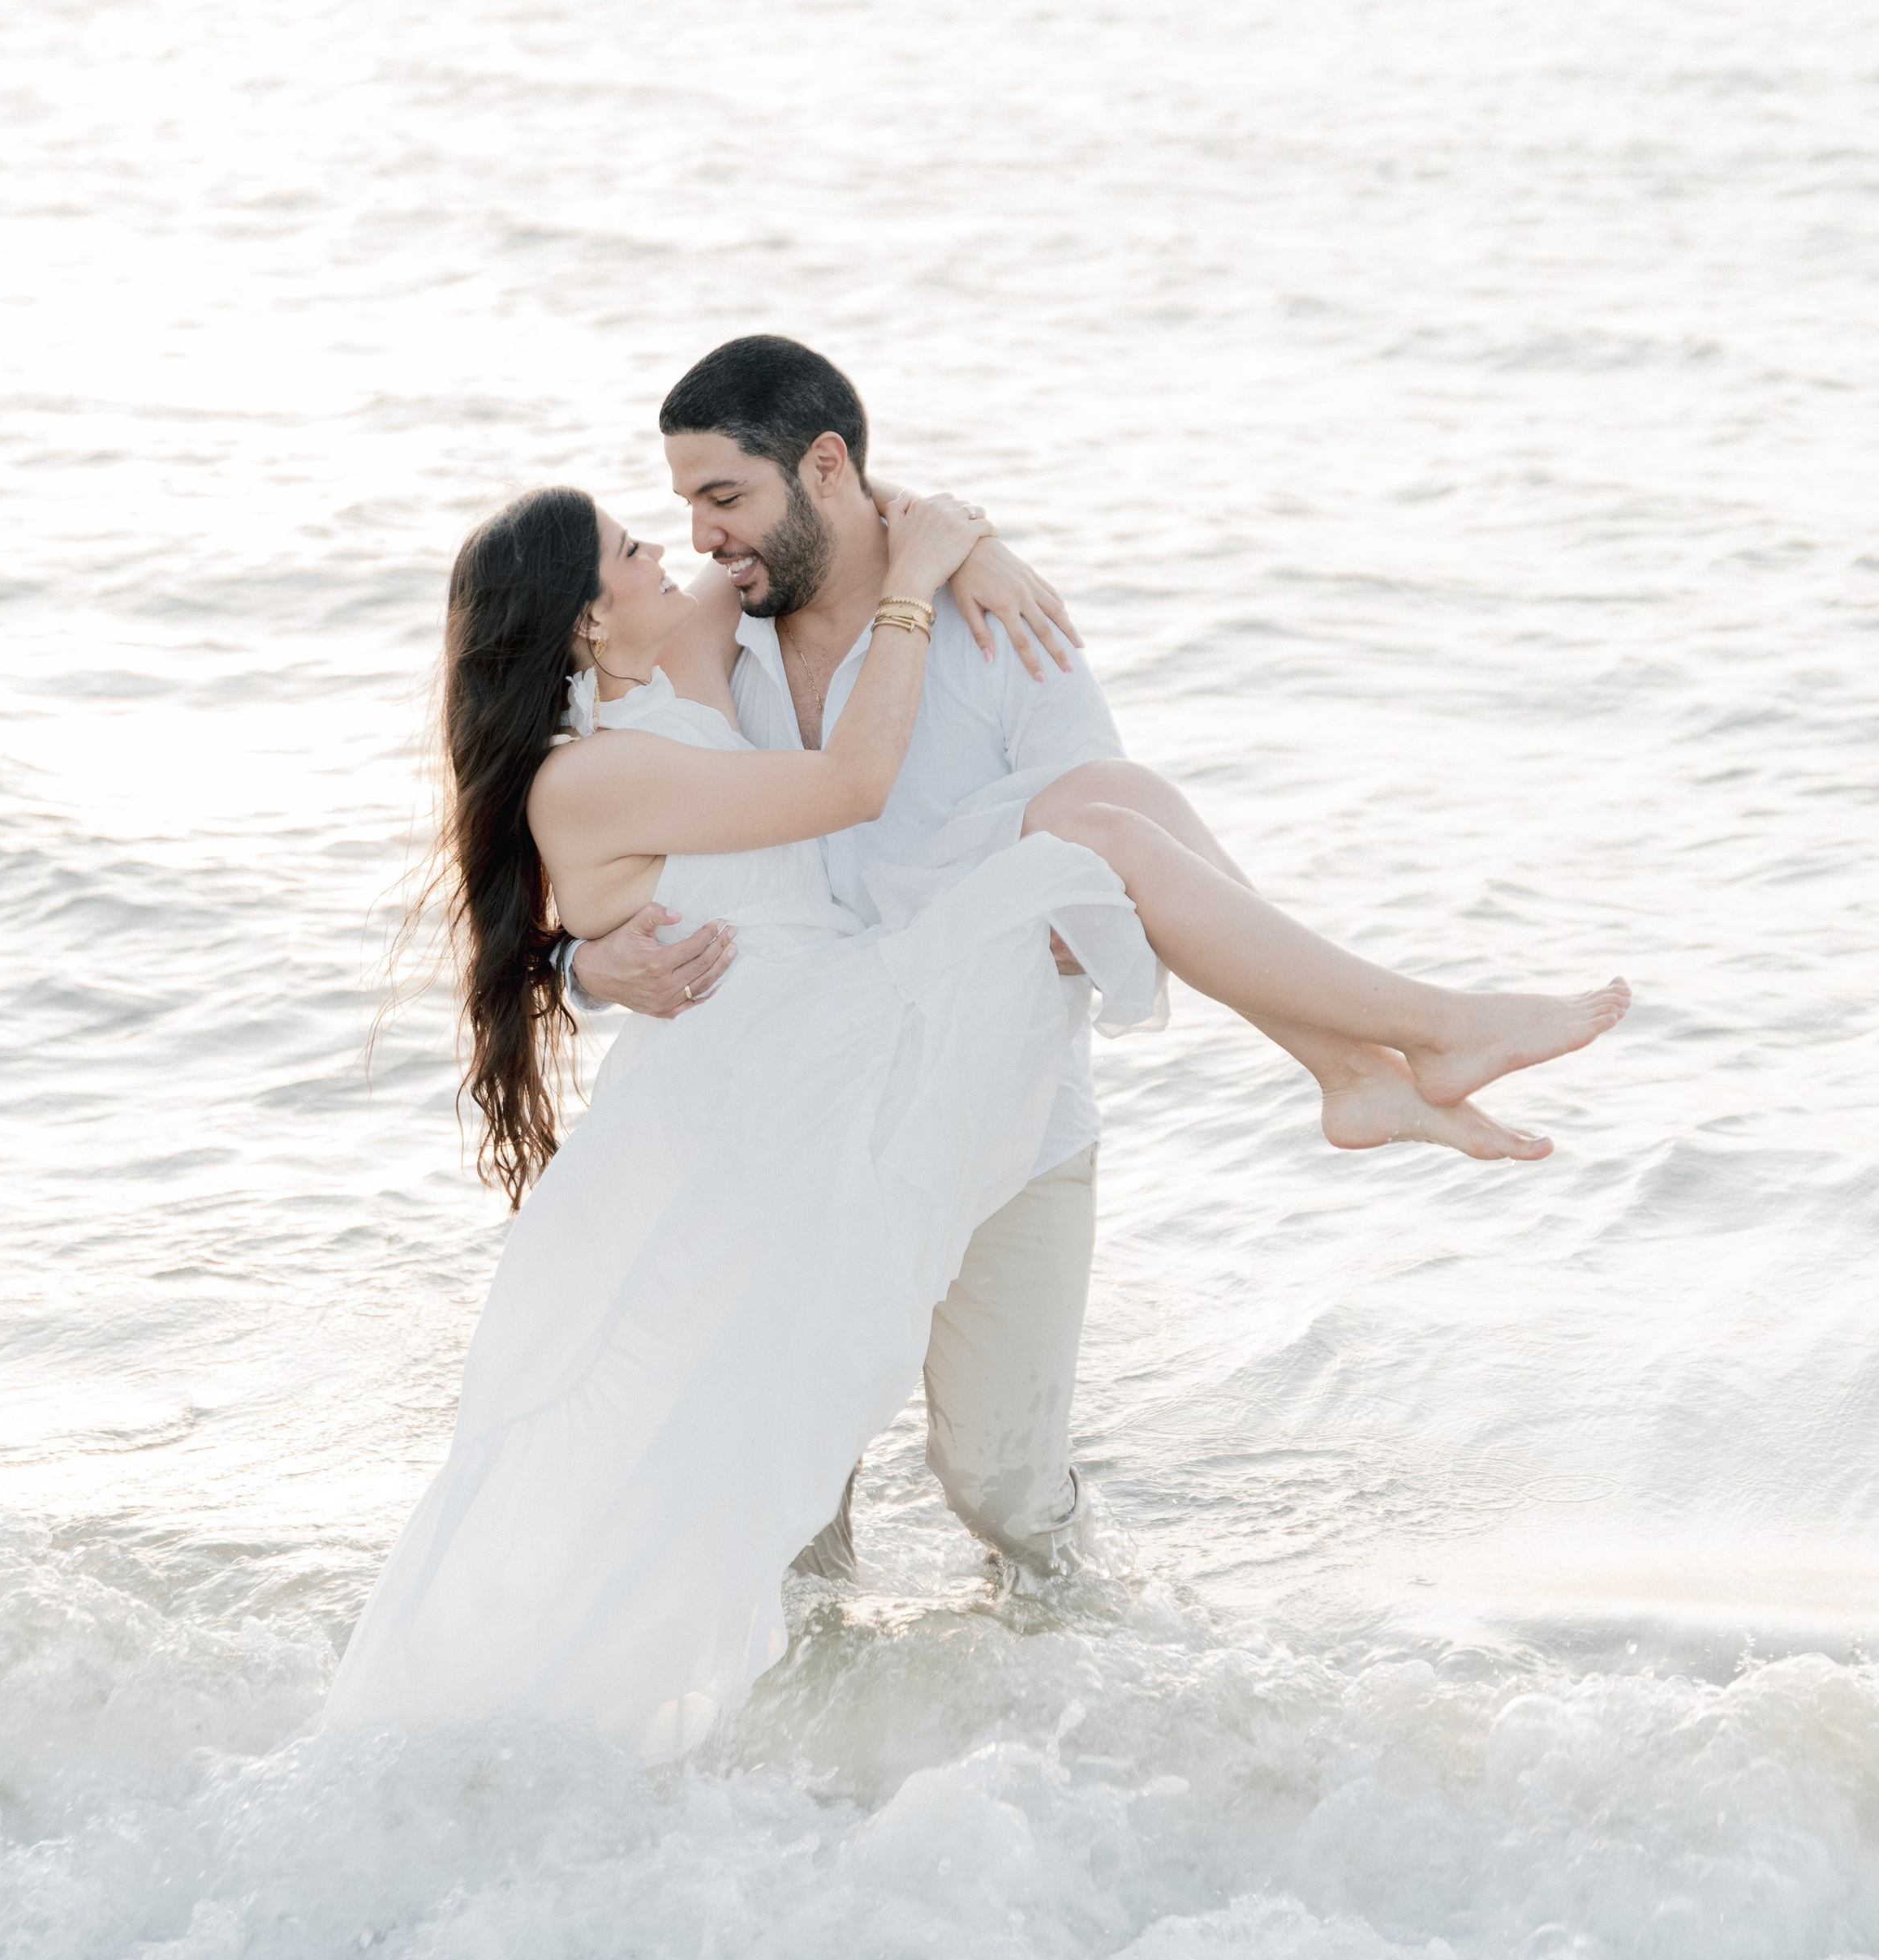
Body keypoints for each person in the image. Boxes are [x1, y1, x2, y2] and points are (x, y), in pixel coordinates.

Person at [326, 452, 1625, 1763]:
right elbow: (853, 787)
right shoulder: (591, 775)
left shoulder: (677, 666)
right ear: (587, 621)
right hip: (783, 1094)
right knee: (745, 1483)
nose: (670, 550)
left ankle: (1354, 1068)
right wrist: (925, 585)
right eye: (627, 551)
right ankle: (1417, 1033)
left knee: (1111, 801)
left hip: (826, 1029)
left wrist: (967, 543)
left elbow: (820, 500)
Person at [565, 337, 1610, 1584]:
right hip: (785, 1113)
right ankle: (807, 1762)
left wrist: (960, 554)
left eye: (722, 498)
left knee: (1005, 1492)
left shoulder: (999, 628)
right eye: (681, 507)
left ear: (828, 468)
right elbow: (552, 862)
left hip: (1000, 1098)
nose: (696, 537)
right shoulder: (703, 635)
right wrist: (590, 970)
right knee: (789, 1511)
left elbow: (1122, 884)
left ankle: (1094, 1723)